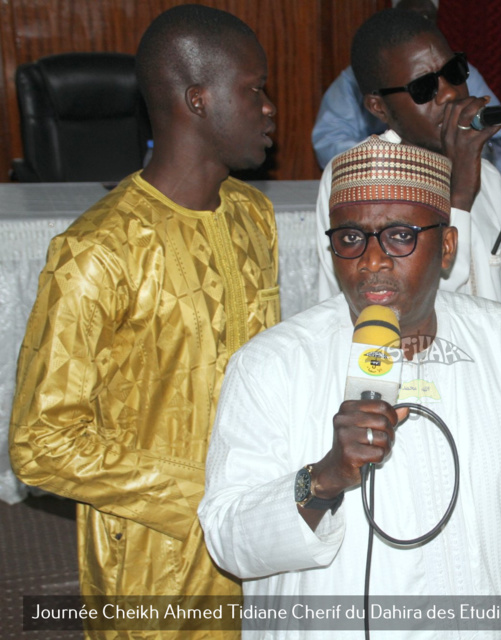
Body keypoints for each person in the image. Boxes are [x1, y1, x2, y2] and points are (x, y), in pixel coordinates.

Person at [199, 136, 501, 639]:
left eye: (401, 236)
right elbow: (228, 537)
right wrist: (323, 479)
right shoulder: (272, 365)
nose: (373, 261)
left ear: (447, 246)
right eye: (350, 239)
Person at [9, 4, 279, 635]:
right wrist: (204, 495)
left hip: (262, 541)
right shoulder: (99, 251)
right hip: (154, 563)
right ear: (198, 99)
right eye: (255, 89)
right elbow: (40, 444)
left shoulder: (252, 217)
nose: (270, 107)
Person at [315, 9, 501, 304]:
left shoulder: (484, 174)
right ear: (379, 107)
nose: (450, 95)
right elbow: (420, 309)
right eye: (424, 88)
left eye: (453, 72)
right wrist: (460, 197)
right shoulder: (360, 178)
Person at [311, 0, 501, 174]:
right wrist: (394, 161)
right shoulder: (358, 79)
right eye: (423, 87)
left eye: (428, 18)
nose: (448, 93)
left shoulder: (456, 70)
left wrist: (471, 153)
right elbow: (329, 141)